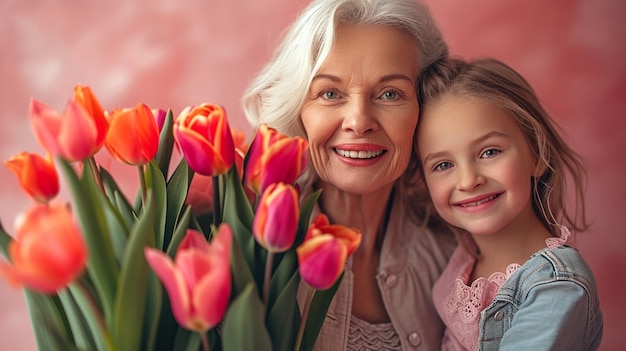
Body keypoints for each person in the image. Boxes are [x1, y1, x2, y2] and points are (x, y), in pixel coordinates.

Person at [242, 0, 457, 350]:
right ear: (298, 111)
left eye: (390, 94)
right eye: (330, 93)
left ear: (424, 110)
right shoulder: (241, 249)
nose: (358, 121)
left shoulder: (456, 255)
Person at [416, 56, 604, 350]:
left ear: (537, 154)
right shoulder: (461, 254)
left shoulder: (556, 286)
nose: (468, 181)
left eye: (490, 152)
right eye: (442, 165)